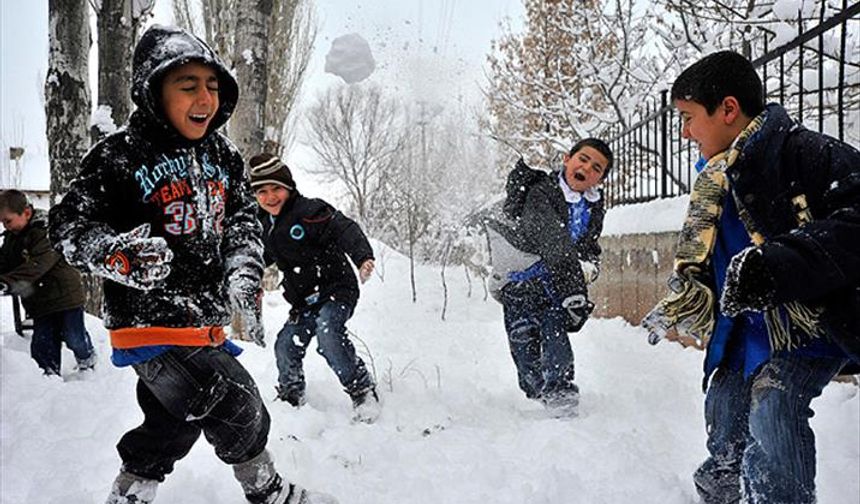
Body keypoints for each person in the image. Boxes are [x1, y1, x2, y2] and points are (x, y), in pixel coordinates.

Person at [49, 25, 336, 504]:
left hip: (204, 322)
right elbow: (66, 227)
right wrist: (116, 254)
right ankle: (266, 491)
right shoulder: (118, 157)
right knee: (236, 400)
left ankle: (132, 492)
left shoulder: (222, 155)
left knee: (172, 419)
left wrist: (244, 264)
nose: (205, 97)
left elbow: (243, 219)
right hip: (149, 324)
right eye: (188, 86)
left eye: (213, 86)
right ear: (153, 90)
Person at [641, 50, 860, 504]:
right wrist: (685, 297)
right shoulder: (713, 180)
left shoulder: (806, 154)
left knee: (774, 403)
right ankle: (722, 492)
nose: (683, 131)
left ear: (727, 109)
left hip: (809, 327)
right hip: (744, 330)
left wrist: (779, 262)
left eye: (688, 117)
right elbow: (706, 257)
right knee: (724, 417)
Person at [480, 138, 613, 416]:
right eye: (583, 159)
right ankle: (538, 389)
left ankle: (560, 390)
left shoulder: (593, 206)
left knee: (555, 333)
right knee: (523, 344)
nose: (587, 168)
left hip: (553, 282)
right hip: (520, 281)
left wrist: (590, 264)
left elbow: (587, 244)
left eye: (597, 168)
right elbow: (554, 243)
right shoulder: (543, 193)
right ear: (567, 159)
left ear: (599, 178)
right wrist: (575, 291)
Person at [248, 152, 380, 423]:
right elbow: (258, 258)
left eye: (276, 189)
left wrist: (362, 257)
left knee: (328, 333)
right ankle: (291, 394)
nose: (270, 197)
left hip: (336, 289)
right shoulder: (265, 227)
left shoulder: (309, 211)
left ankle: (362, 389)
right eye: (262, 191)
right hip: (305, 301)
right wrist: (246, 278)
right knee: (285, 344)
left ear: (289, 188)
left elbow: (344, 229)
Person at [0, 189, 96, 376]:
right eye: (3, 222)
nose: (6, 226)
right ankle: (48, 377)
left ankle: (87, 360)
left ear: (26, 213)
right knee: (42, 343)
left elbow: (37, 265)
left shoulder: (47, 231)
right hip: (40, 301)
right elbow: (4, 261)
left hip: (65, 297)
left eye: (8, 221)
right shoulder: (13, 238)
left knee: (73, 337)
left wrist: (6, 282)